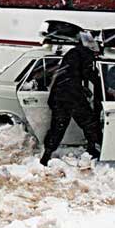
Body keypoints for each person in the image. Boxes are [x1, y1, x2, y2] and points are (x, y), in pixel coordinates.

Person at [40, 31, 102, 166]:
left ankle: (46, 155)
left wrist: (83, 88)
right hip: (71, 94)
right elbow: (88, 74)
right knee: (89, 121)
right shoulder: (85, 54)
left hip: (59, 93)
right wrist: (103, 85)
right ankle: (93, 148)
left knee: (58, 126)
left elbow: (70, 73)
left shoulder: (73, 52)